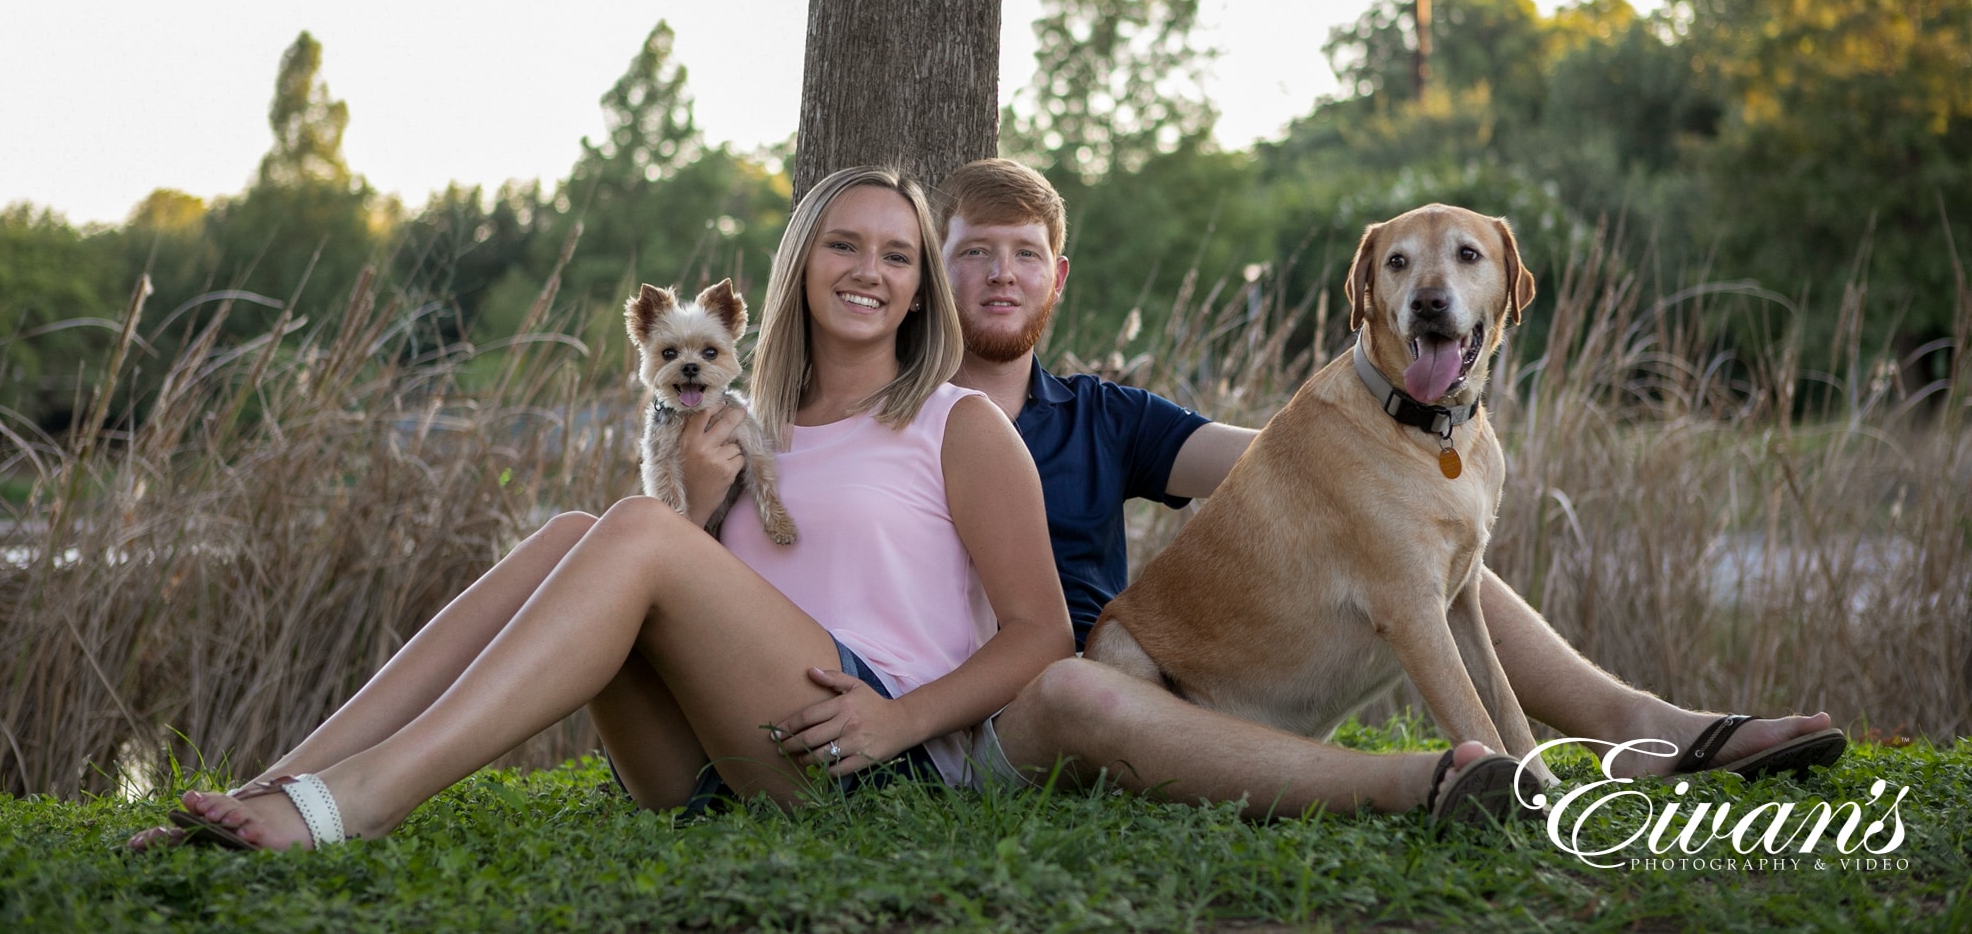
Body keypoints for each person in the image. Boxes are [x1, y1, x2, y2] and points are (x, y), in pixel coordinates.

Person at [134, 167, 1074, 851]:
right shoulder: (739, 426)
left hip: (870, 758)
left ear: (917, 289)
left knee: (626, 527)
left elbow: (1041, 634)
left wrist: (900, 722)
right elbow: (713, 605)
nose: (869, 268)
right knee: (570, 536)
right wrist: (701, 507)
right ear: (800, 265)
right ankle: (278, 783)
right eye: (844, 243)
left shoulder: (959, 424)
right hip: (708, 760)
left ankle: (365, 799)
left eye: (898, 254)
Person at [927, 158, 1846, 817]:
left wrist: (1395, 458)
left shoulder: (1106, 413)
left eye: (1025, 253)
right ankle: (1450, 777)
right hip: (1069, 694)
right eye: (975, 254)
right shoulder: (900, 423)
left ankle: (1638, 724)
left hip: (1148, 683)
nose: (1003, 273)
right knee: (1099, 684)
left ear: (1058, 275)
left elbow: (1283, 467)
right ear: (941, 270)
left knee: (1409, 533)